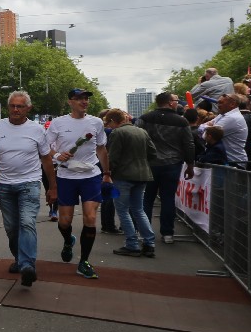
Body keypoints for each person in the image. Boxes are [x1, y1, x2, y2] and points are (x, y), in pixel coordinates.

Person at [0, 90, 54, 287]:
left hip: (29, 183)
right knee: (12, 228)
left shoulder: (37, 130)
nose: (16, 109)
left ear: (28, 108)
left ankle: (27, 266)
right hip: (4, 185)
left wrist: (53, 187)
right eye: (12, 106)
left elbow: (46, 159)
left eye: (20, 106)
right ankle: (19, 259)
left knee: (27, 223)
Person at [48, 89, 109, 279]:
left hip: (91, 175)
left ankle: (84, 261)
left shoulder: (96, 122)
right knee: (65, 221)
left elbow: (101, 149)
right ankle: (68, 240)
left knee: (90, 217)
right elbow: (46, 147)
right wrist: (57, 155)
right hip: (66, 176)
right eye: (80, 99)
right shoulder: (58, 123)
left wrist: (107, 173)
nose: (84, 102)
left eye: (86, 98)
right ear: (70, 102)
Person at [138, 92, 196, 244]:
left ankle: (144, 232)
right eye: (176, 100)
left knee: (147, 198)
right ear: (170, 102)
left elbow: (137, 138)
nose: (178, 103)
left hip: (150, 164)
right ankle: (168, 233)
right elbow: (189, 144)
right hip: (172, 164)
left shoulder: (145, 118)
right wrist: (190, 164)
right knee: (168, 198)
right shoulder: (181, 121)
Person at [102, 109, 156, 258]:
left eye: (108, 123)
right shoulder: (142, 132)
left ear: (113, 121)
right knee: (139, 210)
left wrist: (107, 173)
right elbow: (153, 153)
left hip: (123, 176)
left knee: (123, 211)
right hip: (142, 175)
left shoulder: (117, 133)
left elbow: (113, 157)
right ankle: (149, 243)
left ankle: (132, 244)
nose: (109, 126)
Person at [210, 93, 249, 166]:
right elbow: (203, 128)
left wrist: (208, 126)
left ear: (232, 104)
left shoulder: (232, 117)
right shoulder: (223, 115)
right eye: (218, 102)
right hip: (227, 161)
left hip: (233, 163)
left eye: (221, 103)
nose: (218, 105)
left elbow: (207, 135)